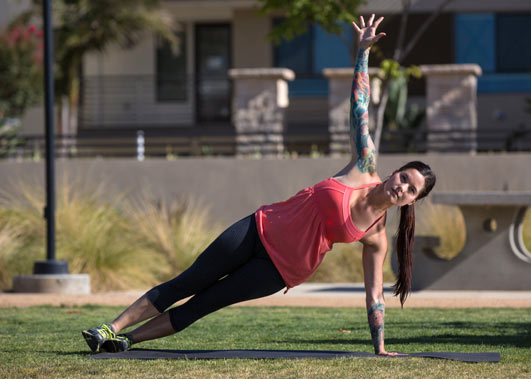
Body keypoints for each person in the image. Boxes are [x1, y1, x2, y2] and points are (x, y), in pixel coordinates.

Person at [82, 14, 436, 357]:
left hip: (279, 270)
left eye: (411, 191)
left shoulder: (376, 234)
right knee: (188, 281)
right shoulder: (365, 165)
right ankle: (108, 329)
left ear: (411, 202)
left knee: (204, 304)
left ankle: (128, 341)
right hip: (258, 228)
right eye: (404, 178)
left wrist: (380, 346)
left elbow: (374, 293)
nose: (402, 188)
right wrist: (363, 53)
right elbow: (359, 108)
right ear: (395, 172)